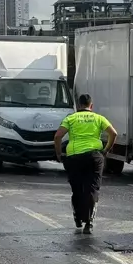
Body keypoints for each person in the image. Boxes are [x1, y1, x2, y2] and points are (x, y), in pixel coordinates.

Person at [54, 94, 117, 235]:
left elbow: (58, 136)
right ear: (91, 106)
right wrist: (106, 150)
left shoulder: (70, 118)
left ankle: (77, 217)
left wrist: (59, 154)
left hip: (74, 157)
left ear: (78, 105)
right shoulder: (99, 118)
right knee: (92, 188)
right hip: (94, 157)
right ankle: (89, 223)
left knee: (77, 189)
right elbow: (113, 133)